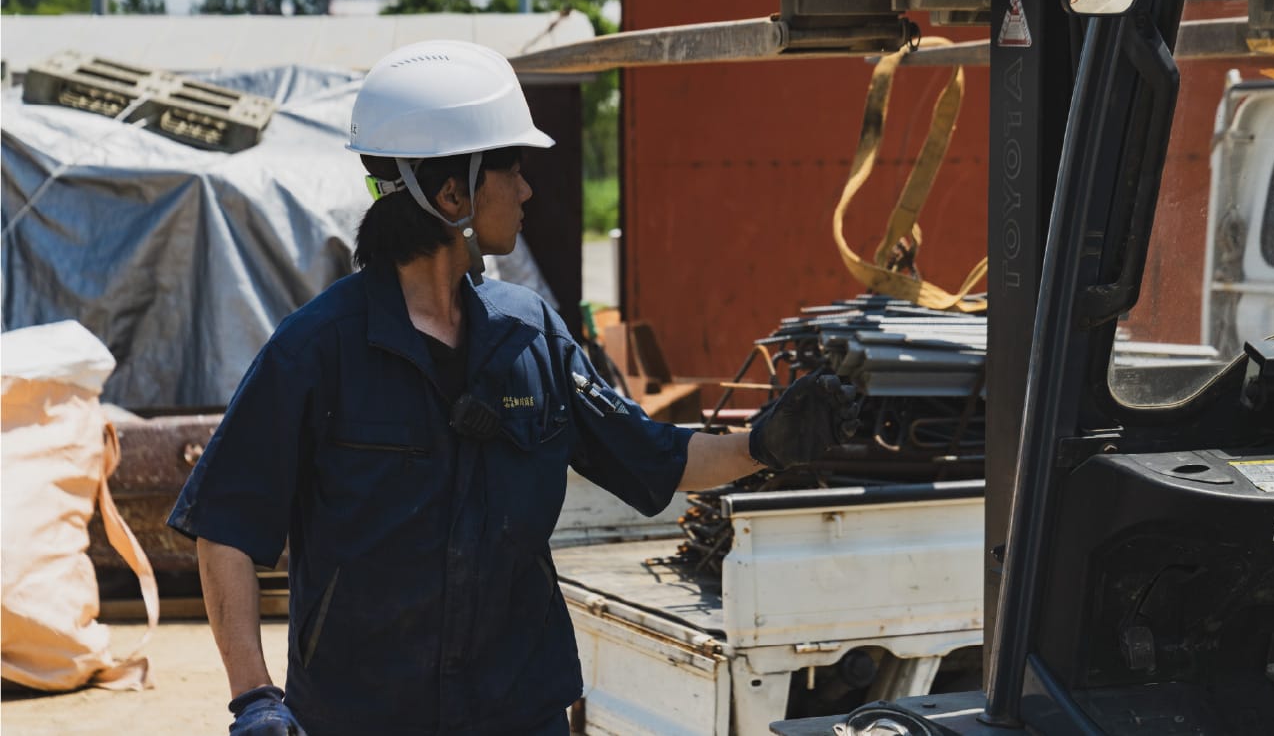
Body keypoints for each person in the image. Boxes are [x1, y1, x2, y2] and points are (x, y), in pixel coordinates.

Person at [168, 40, 860, 736]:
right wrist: (254, 695)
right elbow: (225, 524)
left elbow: (651, 453)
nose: (526, 191)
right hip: (363, 716)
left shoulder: (531, 334)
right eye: (513, 170)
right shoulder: (317, 350)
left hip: (517, 711)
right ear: (453, 194)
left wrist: (763, 444)